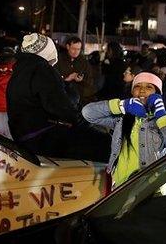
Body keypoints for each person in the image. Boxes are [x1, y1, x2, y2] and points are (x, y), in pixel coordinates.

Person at [6, 33, 109, 162]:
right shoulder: (42, 69)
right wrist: (88, 123)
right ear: (47, 50)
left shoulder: (22, 68)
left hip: (24, 134)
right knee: (104, 143)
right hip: (39, 136)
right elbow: (62, 107)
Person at [81, 72, 166, 188]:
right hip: (121, 189)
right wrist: (122, 105)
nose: (142, 90)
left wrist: (162, 115)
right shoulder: (121, 120)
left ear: (157, 94)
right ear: (132, 92)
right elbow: (88, 113)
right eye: (137, 86)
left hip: (152, 189)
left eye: (149, 87)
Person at [55, 36, 95, 106]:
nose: (76, 52)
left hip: (80, 99)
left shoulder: (84, 62)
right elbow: (53, 79)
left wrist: (81, 80)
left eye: (78, 49)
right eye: (73, 49)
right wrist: (67, 79)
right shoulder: (59, 60)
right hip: (61, 98)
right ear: (68, 46)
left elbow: (90, 81)